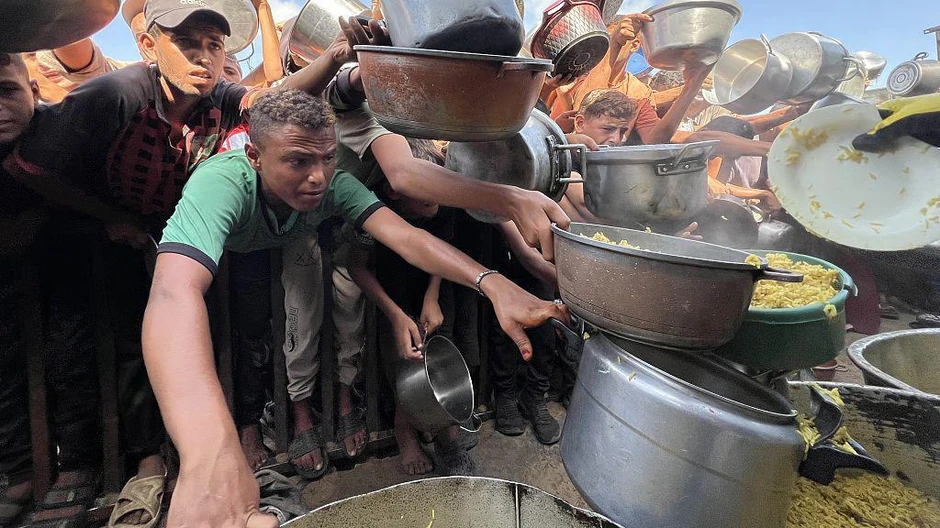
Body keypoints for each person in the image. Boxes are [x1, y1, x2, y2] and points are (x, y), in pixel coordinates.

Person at [3, 2, 386, 526]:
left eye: (213, 45)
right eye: (187, 43)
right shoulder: (115, 95)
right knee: (93, 342)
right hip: (83, 230)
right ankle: (124, 466)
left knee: (195, 342)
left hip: (164, 233)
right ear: (148, 47)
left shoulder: (221, 99)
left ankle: (199, 454)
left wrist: (340, 55)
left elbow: (273, 100)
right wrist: (105, 217)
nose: (203, 58)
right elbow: (31, 167)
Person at [143, 89, 568, 527]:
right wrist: (210, 455)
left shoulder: (335, 186)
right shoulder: (221, 183)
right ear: (254, 156)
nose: (317, 177)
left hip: (293, 240)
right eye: (297, 161)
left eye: (327, 158)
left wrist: (491, 283)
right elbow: (173, 293)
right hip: (223, 255)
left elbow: (408, 238)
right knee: (227, 340)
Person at [347, 138, 476, 476]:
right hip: (391, 294)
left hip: (432, 286)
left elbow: (441, 250)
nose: (432, 195)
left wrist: (432, 297)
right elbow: (358, 267)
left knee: (441, 353)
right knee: (403, 363)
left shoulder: (441, 205)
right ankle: (405, 432)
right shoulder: (373, 210)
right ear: (394, 191)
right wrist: (394, 313)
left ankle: (447, 431)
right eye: (421, 189)